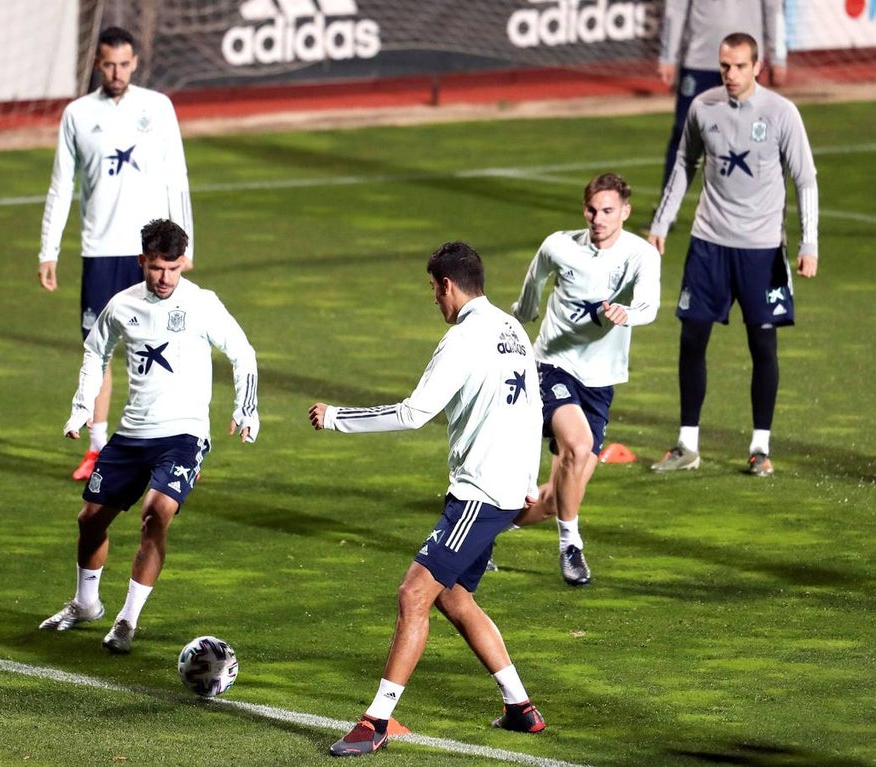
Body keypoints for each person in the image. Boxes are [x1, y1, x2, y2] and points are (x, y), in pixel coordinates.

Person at [309, 242, 548, 757]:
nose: (434, 300)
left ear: (447, 285)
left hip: (481, 492)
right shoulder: (513, 329)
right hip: (506, 487)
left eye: (433, 289)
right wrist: (529, 480)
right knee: (453, 595)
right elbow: (533, 406)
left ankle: (375, 721)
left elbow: (414, 412)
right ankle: (519, 706)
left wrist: (336, 417)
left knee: (413, 593)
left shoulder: (463, 338)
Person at [39, 219, 258, 653]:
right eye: (157, 267)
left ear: (184, 263)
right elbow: (94, 353)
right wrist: (82, 407)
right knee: (90, 521)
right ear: (142, 261)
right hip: (132, 433)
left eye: (174, 268)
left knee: (155, 514)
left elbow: (242, 353)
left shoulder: (202, 304)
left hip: (184, 434)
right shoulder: (121, 305)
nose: (165, 278)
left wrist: (245, 408)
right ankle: (86, 604)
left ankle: (127, 620)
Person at [648, 32, 818, 476]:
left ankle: (760, 447)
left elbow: (805, 178)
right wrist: (662, 223)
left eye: (740, 66)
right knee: (692, 339)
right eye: (725, 66)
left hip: (762, 250)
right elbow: (684, 164)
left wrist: (809, 243)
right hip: (709, 244)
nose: (731, 74)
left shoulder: (781, 112)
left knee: (762, 344)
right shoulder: (703, 107)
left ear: (757, 67)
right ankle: (687, 444)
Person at [38, 25, 194, 482]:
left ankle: (176, 443)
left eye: (125, 64)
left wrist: (187, 245)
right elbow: (61, 185)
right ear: (97, 64)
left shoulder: (158, 107)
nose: (117, 72)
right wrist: (49, 249)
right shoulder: (77, 114)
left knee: (167, 349)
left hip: (154, 251)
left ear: (135, 63)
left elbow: (177, 177)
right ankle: (97, 449)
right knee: (98, 353)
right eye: (109, 64)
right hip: (100, 252)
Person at [511, 173, 661, 586]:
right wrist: (519, 318)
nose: (598, 219)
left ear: (625, 212)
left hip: (601, 380)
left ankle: (477, 538)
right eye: (592, 210)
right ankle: (570, 546)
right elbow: (533, 286)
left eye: (608, 211)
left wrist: (628, 313)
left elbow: (649, 304)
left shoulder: (641, 254)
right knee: (577, 446)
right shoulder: (559, 246)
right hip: (552, 365)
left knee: (557, 496)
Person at [657, 0, 786, 199]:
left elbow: (774, 8)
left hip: (744, 64)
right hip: (699, 61)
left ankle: (745, 203)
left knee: (747, 135)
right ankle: (667, 206)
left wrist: (778, 57)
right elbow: (676, 8)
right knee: (684, 133)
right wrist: (668, 56)